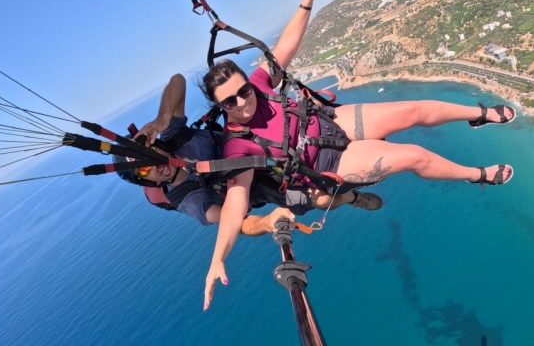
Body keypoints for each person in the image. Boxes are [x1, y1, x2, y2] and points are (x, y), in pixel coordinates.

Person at [200, 0, 516, 310]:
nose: (243, 102)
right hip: (328, 165)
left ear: (249, 82)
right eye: (229, 102)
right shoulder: (237, 143)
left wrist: (307, 0)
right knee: (414, 155)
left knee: (412, 109)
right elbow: (234, 205)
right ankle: (479, 176)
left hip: (331, 123)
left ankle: (480, 115)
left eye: (243, 90)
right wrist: (218, 258)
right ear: (219, 107)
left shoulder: (261, 84)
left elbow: (286, 44)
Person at [114, 70, 383, 237]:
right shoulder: (188, 199)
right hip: (253, 182)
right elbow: (232, 222)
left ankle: (357, 136)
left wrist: (162, 119)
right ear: (149, 182)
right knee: (323, 198)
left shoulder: (172, 137)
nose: (156, 164)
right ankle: (352, 197)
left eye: (149, 154)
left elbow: (177, 80)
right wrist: (266, 222)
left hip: (244, 139)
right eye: (145, 170)